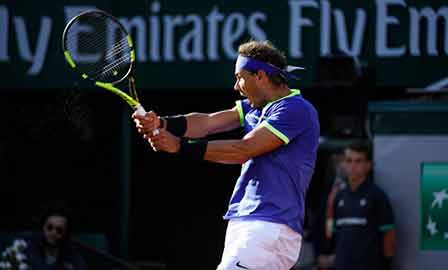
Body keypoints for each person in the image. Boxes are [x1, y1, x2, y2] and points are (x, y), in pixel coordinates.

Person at [133, 40, 320, 270]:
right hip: (252, 224)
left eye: (240, 77)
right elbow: (208, 122)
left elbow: (243, 149)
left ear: (260, 76)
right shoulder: (254, 108)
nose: (236, 86)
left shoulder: (295, 109)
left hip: (268, 224)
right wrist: (162, 123)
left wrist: (180, 146)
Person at [331, 141, 396, 270]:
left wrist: (386, 264)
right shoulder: (339, 196)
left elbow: (389, 234)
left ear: (368, 165)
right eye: (349, 161)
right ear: (343, 164)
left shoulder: (377, 196)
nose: (352, 166)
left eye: (358, 161)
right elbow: (335, 234)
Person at [23, 201, 87, 270]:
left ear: (65, 233)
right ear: (43, 227)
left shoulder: (69, 249)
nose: (53, 233)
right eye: (49, 227)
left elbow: (81, 266)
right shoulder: (32, 243)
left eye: (59, 230)